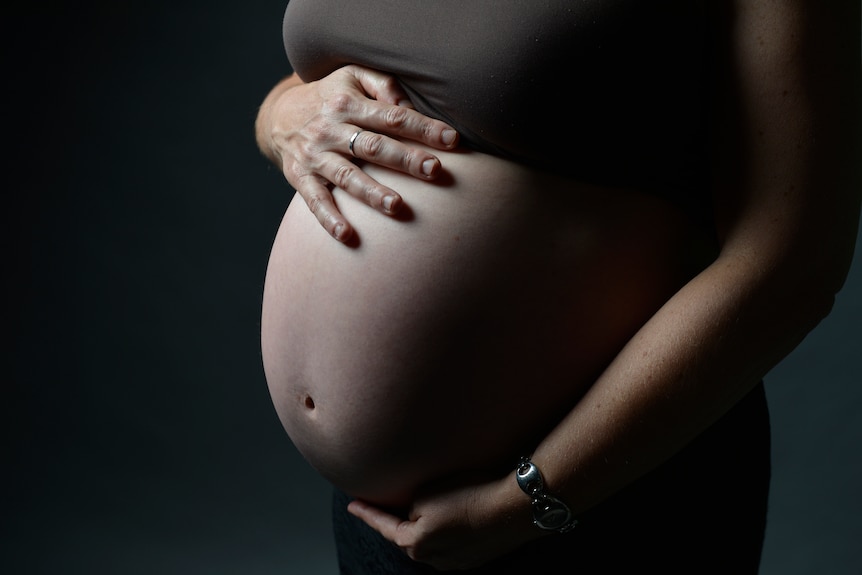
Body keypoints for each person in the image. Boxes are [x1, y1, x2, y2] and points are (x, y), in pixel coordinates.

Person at [254, 1, 861, 572]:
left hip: (597, 493)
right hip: (383, 517)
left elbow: (792, 262)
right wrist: (283, 117)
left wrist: (526, 501)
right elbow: (311, 79)